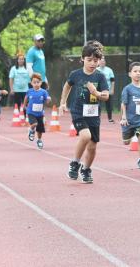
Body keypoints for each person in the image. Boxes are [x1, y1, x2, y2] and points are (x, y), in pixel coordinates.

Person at [59, 40, 109, 184]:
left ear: (99, 61)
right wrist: (63, 102)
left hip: (93, 114)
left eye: (95, 60)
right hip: (78, 111)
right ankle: (74, 164)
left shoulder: (100, 77)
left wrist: (97, 93)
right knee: (85, 136)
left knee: (92, 147)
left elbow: (106, 96)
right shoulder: (76, 74)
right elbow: (67, 86)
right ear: (82, 59)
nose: (92, 63)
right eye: (89, 60)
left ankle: (86, 169)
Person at [24, 73, 51, 149]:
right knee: (34, 124)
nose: (36, 84)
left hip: (40, 114)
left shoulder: (43, 92)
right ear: (31, 83)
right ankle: (31, 131)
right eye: (34, 82)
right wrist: (24, 105)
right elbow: (26, 98)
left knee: (40, 129)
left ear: (41, 83)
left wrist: (49, 100)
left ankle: (39, 140)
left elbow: (47, 101)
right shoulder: (29, 91)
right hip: (31, 112)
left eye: (37, 82)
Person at [96, 56, 116, 123]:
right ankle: (97, 117)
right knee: (97, 104)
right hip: (98, 90)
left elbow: (112, 81)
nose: (102, 62)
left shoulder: (109, 70)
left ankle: (110, 118)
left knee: (109, 105)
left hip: (107, 90)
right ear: (98, 62)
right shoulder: (96, 70)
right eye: (101, 61)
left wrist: (112, 89)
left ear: (105, 62)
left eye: (103, 61)